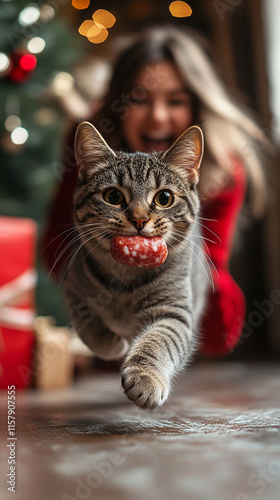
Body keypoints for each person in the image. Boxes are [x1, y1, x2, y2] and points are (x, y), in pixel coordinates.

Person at [42, 25, 269, 357]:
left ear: (198, 106)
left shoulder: (223, 167)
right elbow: (55, 247)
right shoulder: (90, 142)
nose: (158, 116)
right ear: (117, 103)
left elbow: (218, 328)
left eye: (175, 100)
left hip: (175, 340)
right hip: (98, 332)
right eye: (138, 99)